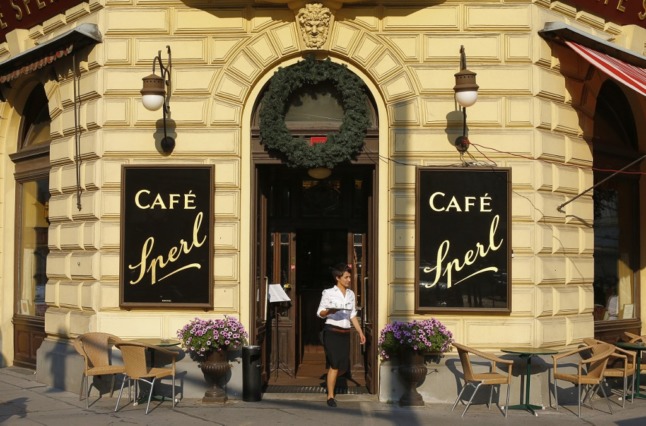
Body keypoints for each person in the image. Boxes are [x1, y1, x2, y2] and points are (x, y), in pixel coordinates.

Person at [316, 263, 366, 408]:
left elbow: (352, 315)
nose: (349, 279)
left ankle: (329, 380)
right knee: (335, 364)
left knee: (343, 367)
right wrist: (329, 311)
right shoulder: (328, 293)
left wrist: (360, 332)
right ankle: (330, 396)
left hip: (345, 333)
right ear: (338, 278)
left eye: (350, 277)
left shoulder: (350, 294)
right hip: (332, 332)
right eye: (346, 277)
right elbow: (320, 313)